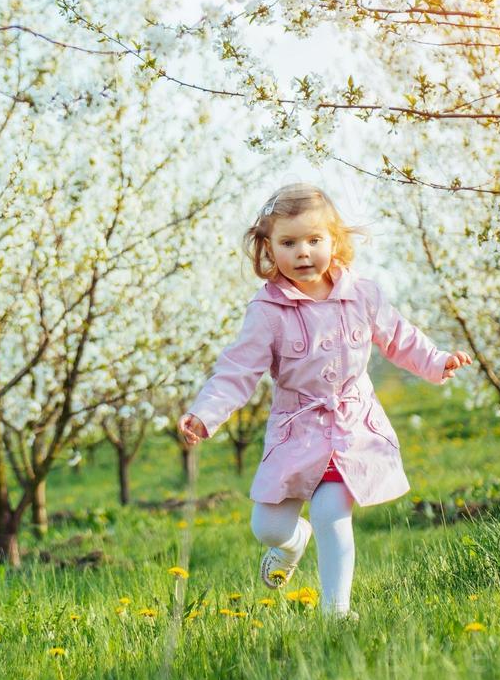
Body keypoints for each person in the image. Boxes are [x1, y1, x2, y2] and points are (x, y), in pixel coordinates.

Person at [177, 183, 472, 619]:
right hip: (297, 428)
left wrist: (436, 360)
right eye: (289, 243)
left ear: (335, 240)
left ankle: (337, 613)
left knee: (334, 516)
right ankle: (294, 541)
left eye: (314, 240)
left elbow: (398, 336)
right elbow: (239, 369)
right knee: (268, 527)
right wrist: (205, 413)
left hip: (351, 425)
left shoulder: (362, 294)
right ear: (268, 248)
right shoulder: (268, 310)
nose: (303, 252)